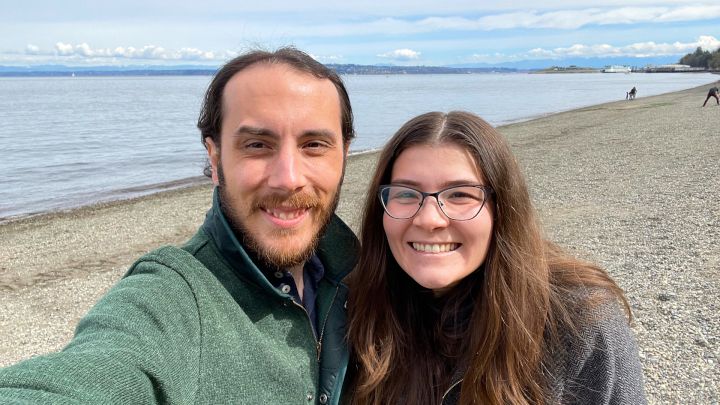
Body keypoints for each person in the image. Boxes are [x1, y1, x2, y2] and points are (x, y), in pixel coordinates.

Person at [0, 47, 358, 404]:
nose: (288, 179)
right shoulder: (173, 297)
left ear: (344, 154)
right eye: (257, 145)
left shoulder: (360, 273)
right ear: (215, 159)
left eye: (314, 145)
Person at [346, 111, 646, 404]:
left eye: (460, 195)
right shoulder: (355, 309)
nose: (429, 219)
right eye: (406, 194)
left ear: (502, 209)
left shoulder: (577, 321)